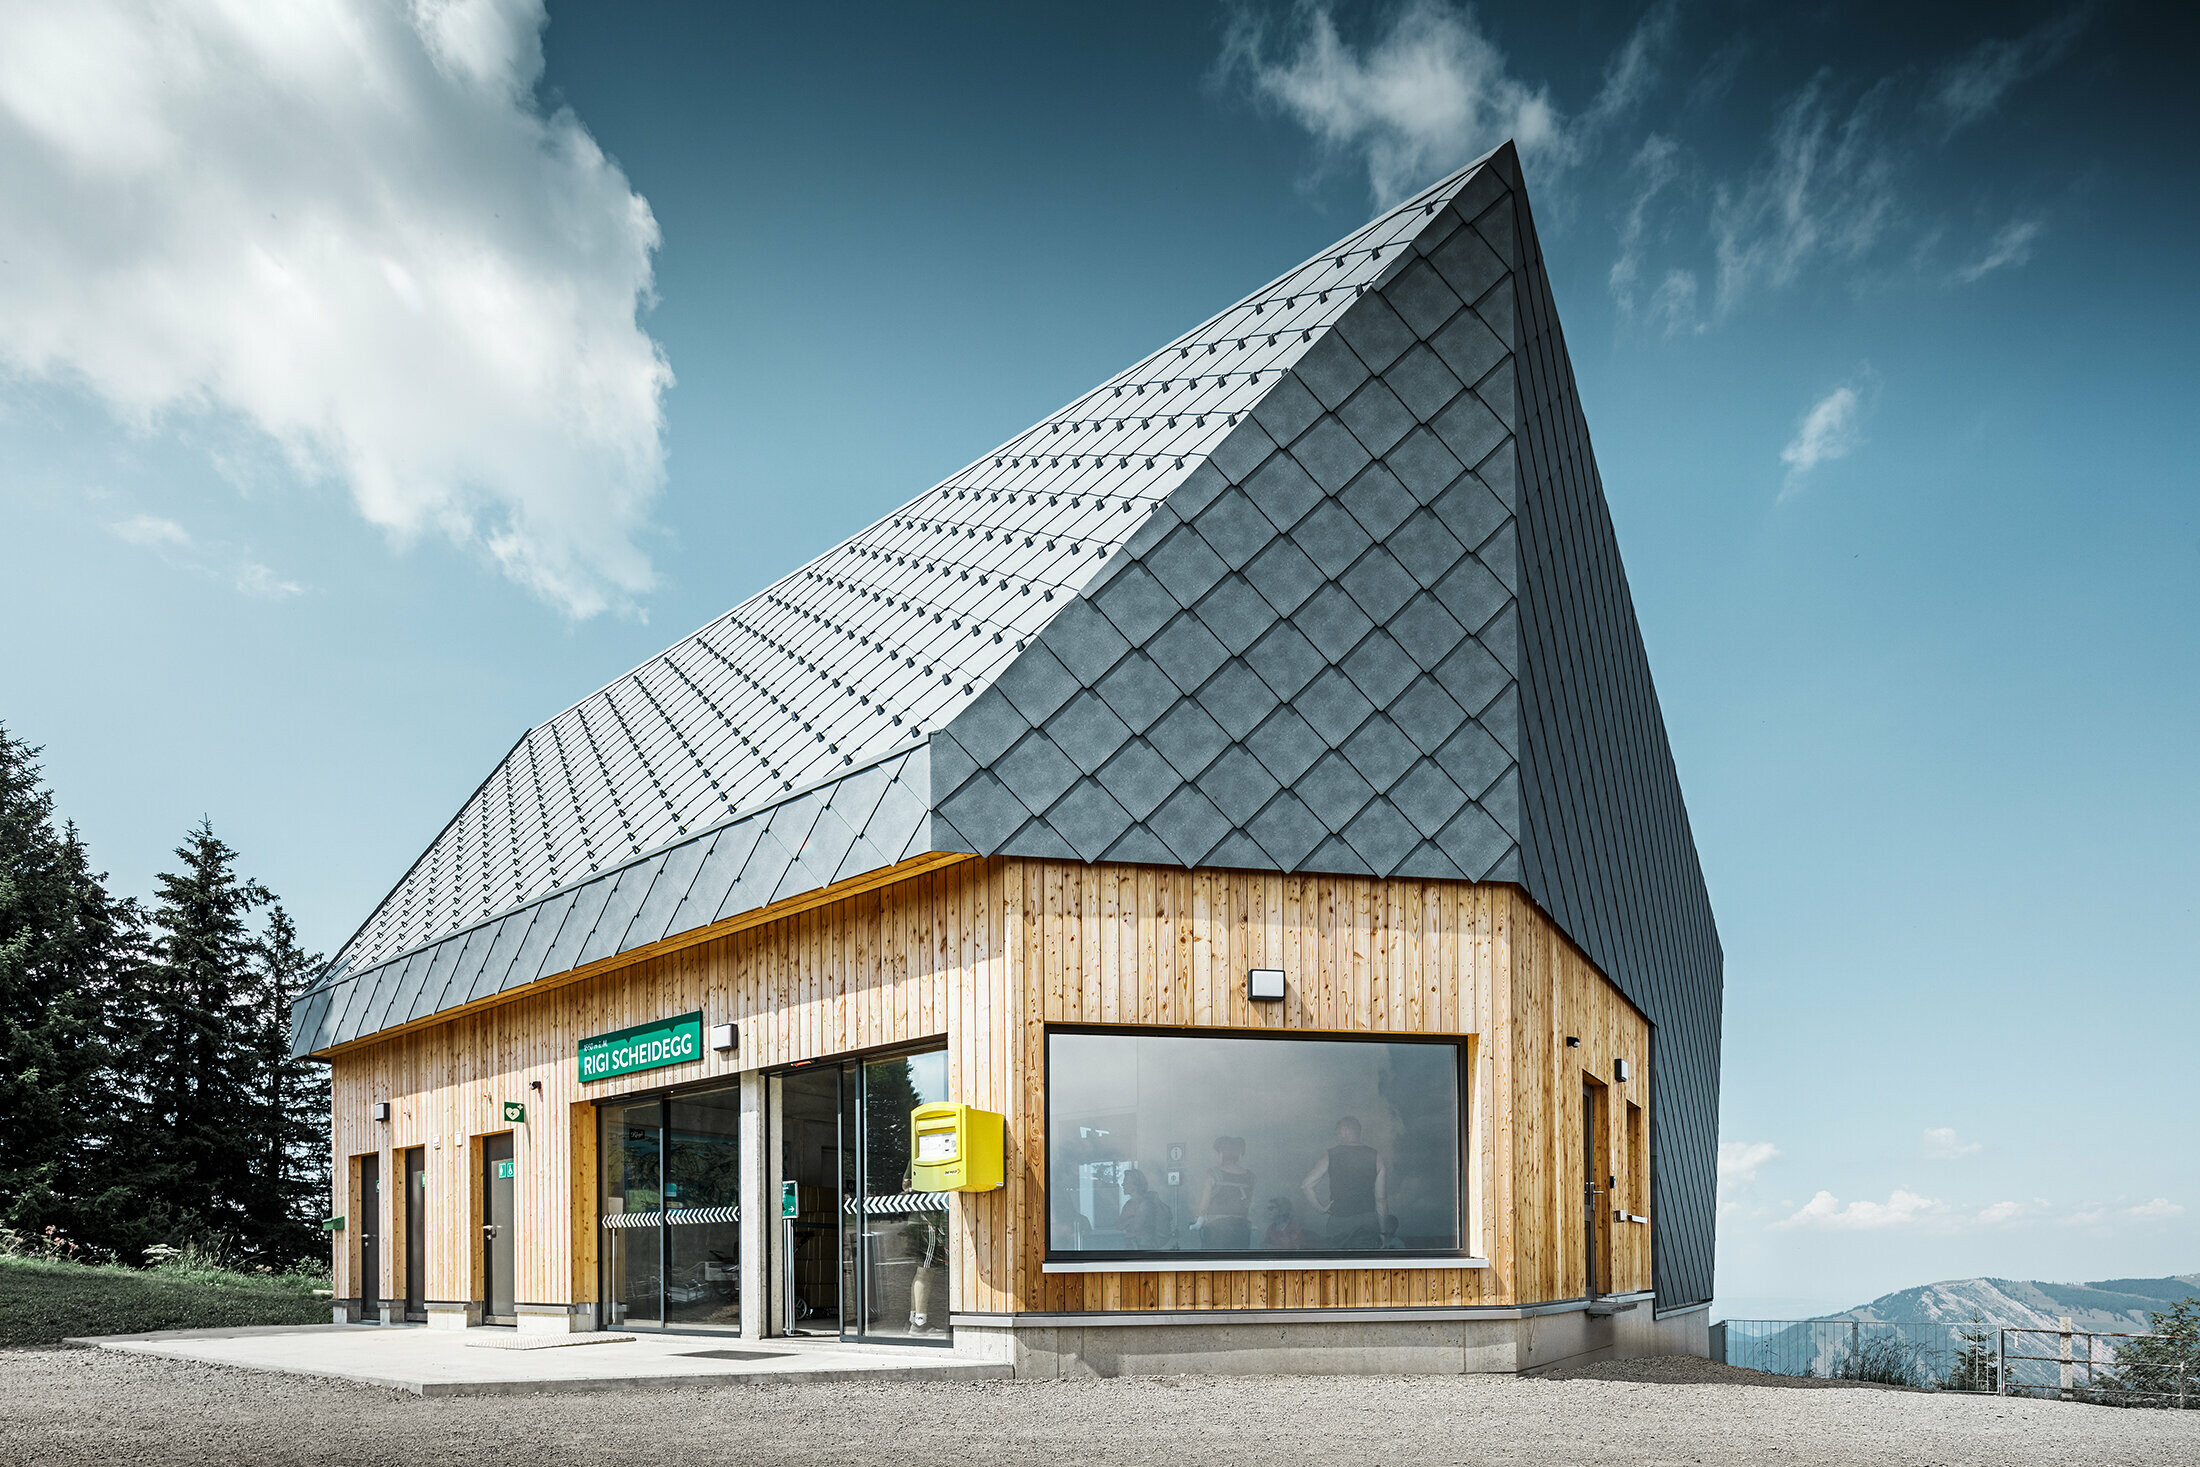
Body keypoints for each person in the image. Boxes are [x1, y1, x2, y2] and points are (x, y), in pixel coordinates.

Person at [1301, 1115, 1386, 1249]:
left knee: (1338, 1266)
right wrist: (1383, 1231)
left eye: (1338, 1130)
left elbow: (1306, 1186)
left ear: (1345, 1130)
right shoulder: (1376, 1156)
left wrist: (1320, 1209)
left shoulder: (1331, 1155)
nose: (1337, 1134)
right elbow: (1381, 1199)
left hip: (1338, 1223)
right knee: (1364, 1266)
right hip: (1367, 1222)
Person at [1195, 1136, 1254, 1249]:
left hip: (1216, 1231)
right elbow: (1251, 1205)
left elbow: (1204, 1206)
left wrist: (1199, 1220)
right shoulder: (1250, 1177)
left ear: (1220, 1153)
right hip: (1242, 1230)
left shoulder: (1212, 1174)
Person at [1117, 1167, 1172, 1250]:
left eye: (1125, 1182)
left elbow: (1135, 1226)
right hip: (1131, 1245)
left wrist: (1127, 1222)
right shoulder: (1128, 1204)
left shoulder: (1145, 1204)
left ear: (1134, 1186)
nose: (1122, 1184)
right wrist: (1130, 1221)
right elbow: (1119, 1226)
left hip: (1143, 1247)